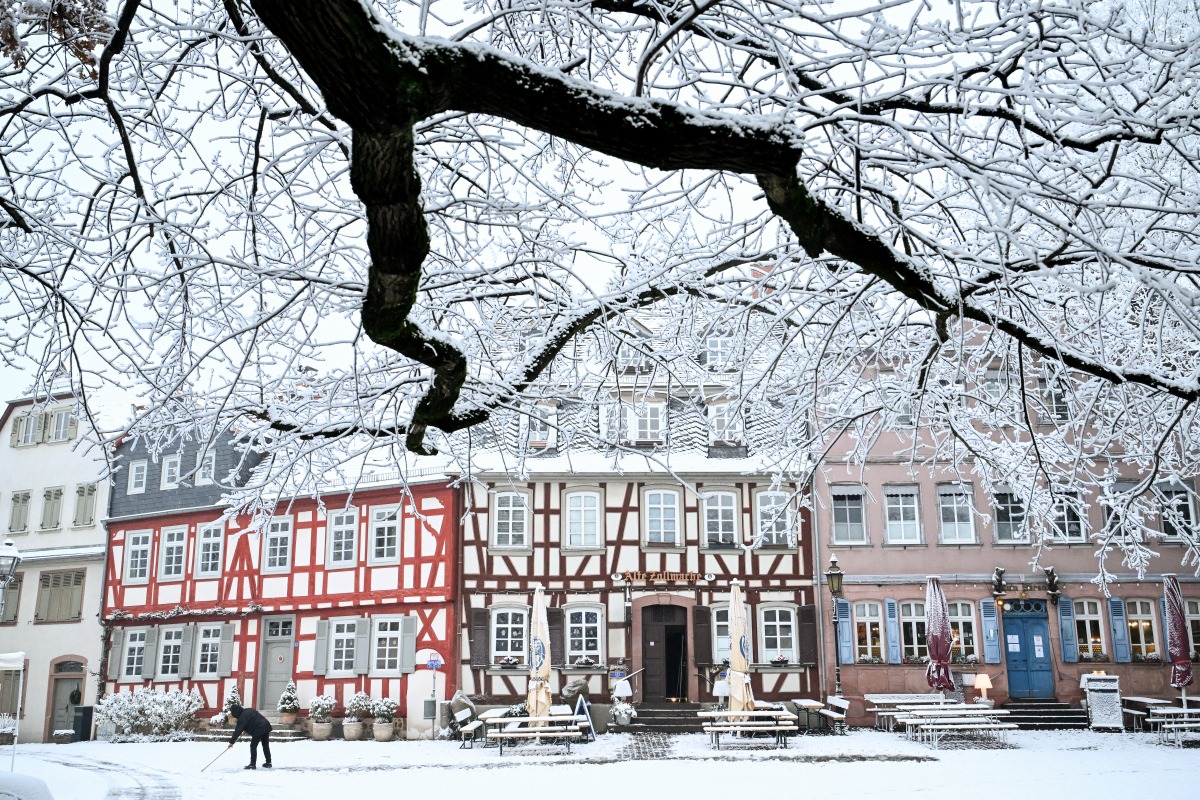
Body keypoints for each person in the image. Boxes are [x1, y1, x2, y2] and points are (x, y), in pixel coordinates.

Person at [226, 703, 272, 769]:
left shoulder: (242, 718)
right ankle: (268, 762)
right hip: (266, 725)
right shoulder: (249, 710)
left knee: (253, 746)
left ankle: (252, 764)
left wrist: (231, 742)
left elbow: (237, 731)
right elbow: (254, 719)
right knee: (265, 745)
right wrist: (246, 728)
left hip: (259, 729)